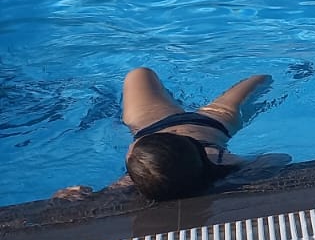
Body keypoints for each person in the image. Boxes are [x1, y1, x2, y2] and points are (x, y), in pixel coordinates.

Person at [54, 68, 272, 201]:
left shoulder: (136, 178)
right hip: (212, 121)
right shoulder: (223, 161)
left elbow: (100, 198)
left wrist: (77, 197)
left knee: (140, 73)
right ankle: (175, 101)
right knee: (261, 79)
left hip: (151, 122)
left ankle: (173, 100)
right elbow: (279, 159)